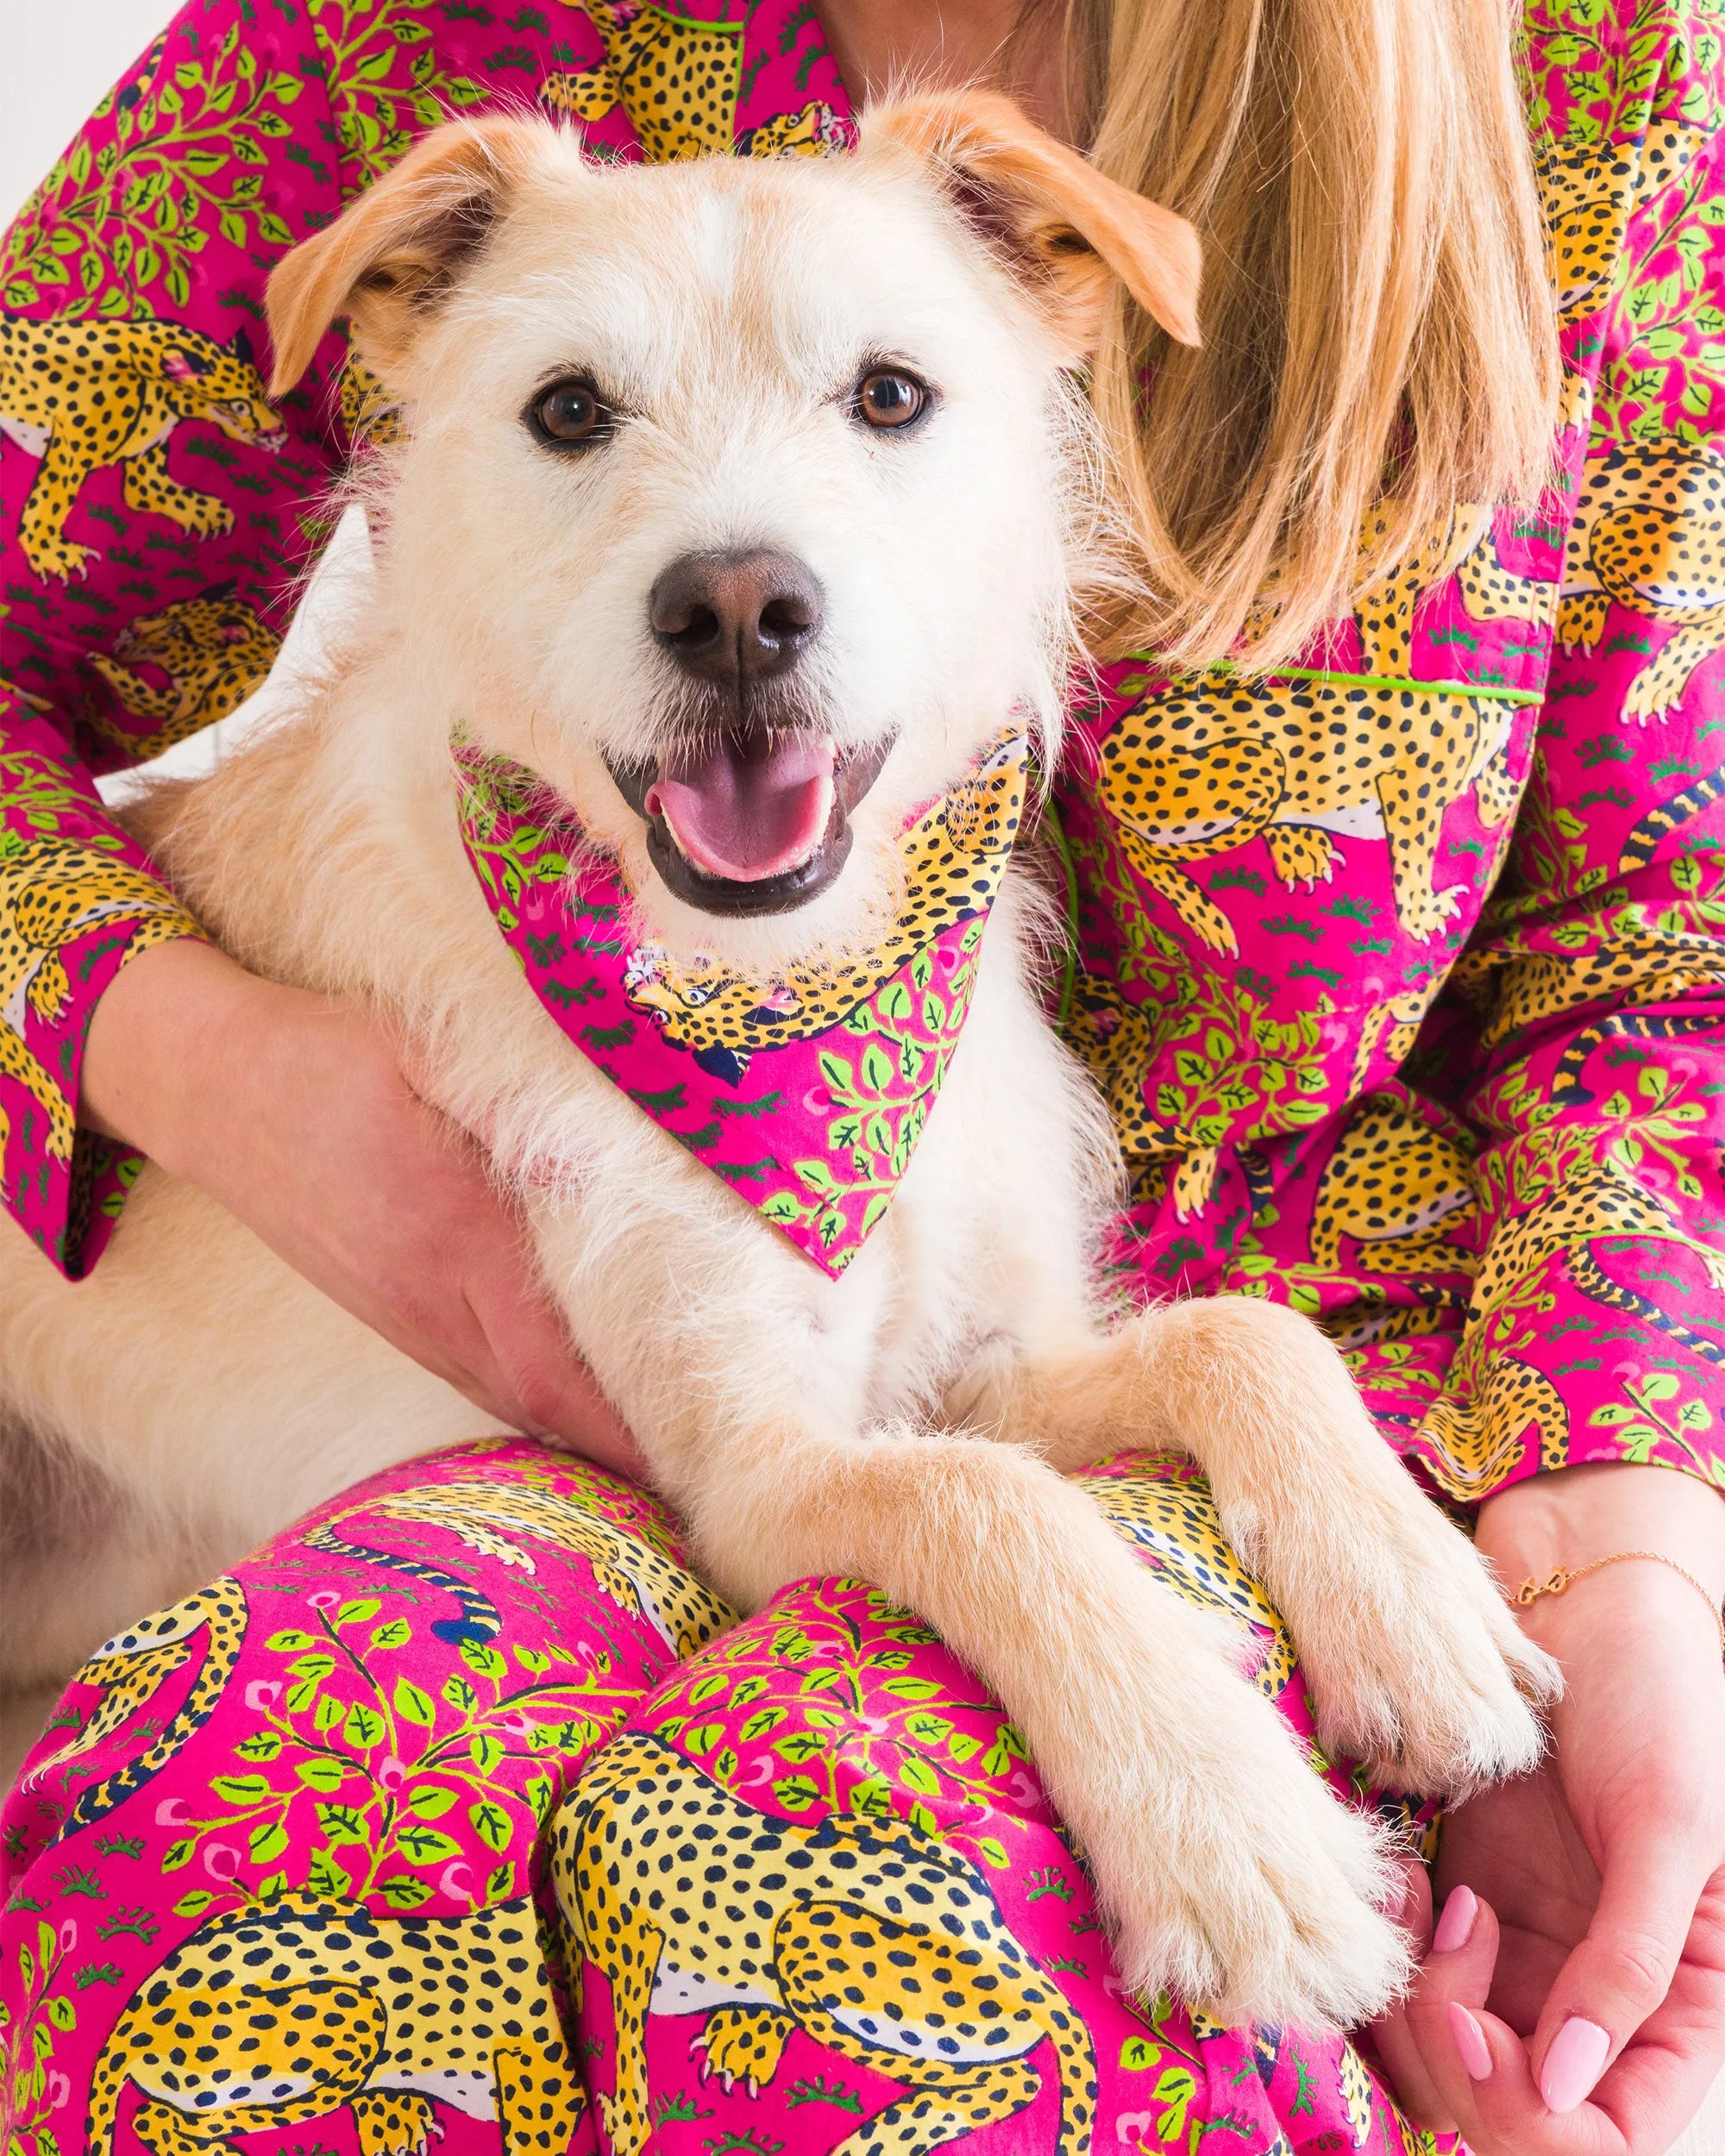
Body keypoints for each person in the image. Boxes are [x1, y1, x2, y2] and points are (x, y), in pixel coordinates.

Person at [0, 0, 1722, 2150]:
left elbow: (1652, 945)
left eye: (889, 394)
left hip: (1372, 1378)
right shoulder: (401, 43)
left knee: (876, 1925)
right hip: (345, 1365)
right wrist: (223, 1068)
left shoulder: (1589, 61)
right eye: (569, 411)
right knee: (249, 1880)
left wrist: (1627, 1546)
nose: (740, 573)